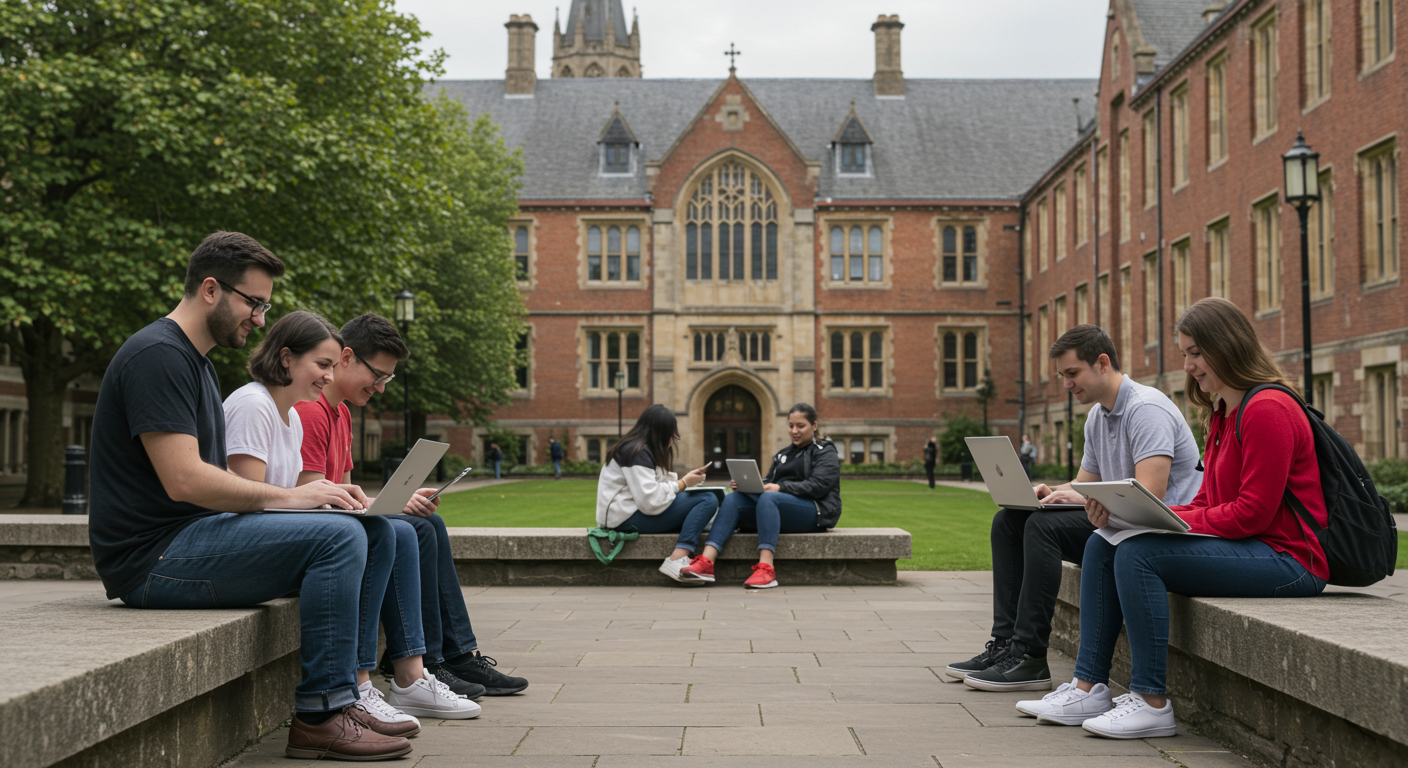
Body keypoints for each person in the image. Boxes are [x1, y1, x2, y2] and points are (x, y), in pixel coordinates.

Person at [87, 232, 410, 760]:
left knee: (371, 530)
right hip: (151, 558)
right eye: (253, 303)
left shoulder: (195, 362)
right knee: (339, 539)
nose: (260, 319)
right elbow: (185, 481)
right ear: (210, 289)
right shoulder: (157, 356)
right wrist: (290, 498)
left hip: (188, 536)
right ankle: (319, 715)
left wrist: (305, 499)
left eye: (265, 306)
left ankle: (349, 693)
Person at [1018, 299, 1327, 739]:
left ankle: (1151, 701)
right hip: (1254, 548)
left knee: (1138, 554)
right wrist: (1141, 515)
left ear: (1227, 347)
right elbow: (1208, 500)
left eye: (1196, 353)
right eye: (1185, 354)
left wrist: (1161, 524)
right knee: (1103, 540)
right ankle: (1088, 685)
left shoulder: (1268, 410)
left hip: (1290, 561)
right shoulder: (1223, 413)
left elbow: (1253, 514)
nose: (1189, 365)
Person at [223, 310, 479, 730]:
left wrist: (379, 501)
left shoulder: (292, 415)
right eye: (322, 365)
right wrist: (359, 505)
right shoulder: (269, 407)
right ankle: (365, 681)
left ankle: (425, 665)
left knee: (408, 527)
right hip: (250, 537)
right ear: (287, 359)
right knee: (383, 531)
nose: (326, 376)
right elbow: (249, 496)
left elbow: (329, 494)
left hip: (282, 528)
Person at [948, 325, 1201, 692]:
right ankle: (1005, 646)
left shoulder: (1146, 409)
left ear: (1102, 363)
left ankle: (1030, 656)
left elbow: (1151, 496)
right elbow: (1085, 482)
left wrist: (1080, 498)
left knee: (1043, 528)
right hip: (1117, 523)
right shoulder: (1098, 416)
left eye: (1071, 374)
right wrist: (1053, 491)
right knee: (1009, 520)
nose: (1066, 384)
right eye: (1061, 376)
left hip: (1154, 533)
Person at [295, 313, 529, 697]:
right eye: (380, 376)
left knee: (428, 524)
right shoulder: (311, 411)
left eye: (388, 379)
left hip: (334, 522)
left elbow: (347, 493)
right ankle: (428, 662)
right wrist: (390, 507)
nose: (383, 389)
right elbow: (314, 497)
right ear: (348, 357)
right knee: (412, 529)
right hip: (315, 533)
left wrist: (392, 501)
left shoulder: (341, 414)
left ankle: (456, 653)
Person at [679, 403, 841, 589]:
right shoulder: (783, 454)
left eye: (800, 426)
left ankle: (766, 569)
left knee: (769, 497)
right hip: (780, 510)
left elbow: (819, 486)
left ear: (814, 426)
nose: (794, 431)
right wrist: (748, 486)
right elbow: (769, 482)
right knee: (733, 499)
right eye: (790, 426)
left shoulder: (825, 451)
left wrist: (779, 488)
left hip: (816, 512)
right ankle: (707, 562)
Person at [595, 404, 717, 583]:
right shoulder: (636, 452)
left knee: (701, 516)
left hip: (623, 516)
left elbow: (655, 488)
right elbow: (650, 501)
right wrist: (683, 483)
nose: (673, 440)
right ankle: (677, 558)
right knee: (707, 499)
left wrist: (683, 482)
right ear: (662, 433)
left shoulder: (638, 449)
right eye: (672, 434)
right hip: (625, 519)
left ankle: (681, 556)